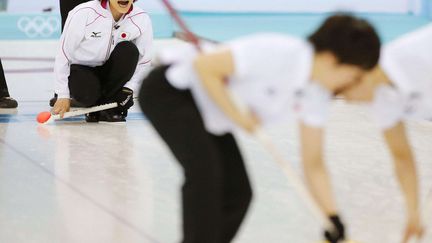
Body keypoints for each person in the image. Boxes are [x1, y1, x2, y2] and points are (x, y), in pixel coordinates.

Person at [139, 14, 381, 243]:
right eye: (355, 75)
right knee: (205, 174)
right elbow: (205, 67)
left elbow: (314, 163)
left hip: (209, 110)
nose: (353, 84)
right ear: (331, 59)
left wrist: (333, 218)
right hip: (170, 92)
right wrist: (239, 116)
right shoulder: (279, 51)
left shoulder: (317, 95)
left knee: (238, 194)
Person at [341, 24, 432, 243]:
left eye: (343, 90)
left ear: (357, 75)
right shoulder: (381, 98)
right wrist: (413, 213)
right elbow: (401, 156)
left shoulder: (419, 57)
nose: (346, 100)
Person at [52, 0, 152, 122]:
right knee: (88, 96)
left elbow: (144, 61)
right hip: (81, 69)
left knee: (129, 50)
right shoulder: (84, 12)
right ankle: (98, 102)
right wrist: (63, 94)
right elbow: (64, 54)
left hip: (109, 72)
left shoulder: (141, 17)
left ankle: (108, 107)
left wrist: (129, 89)